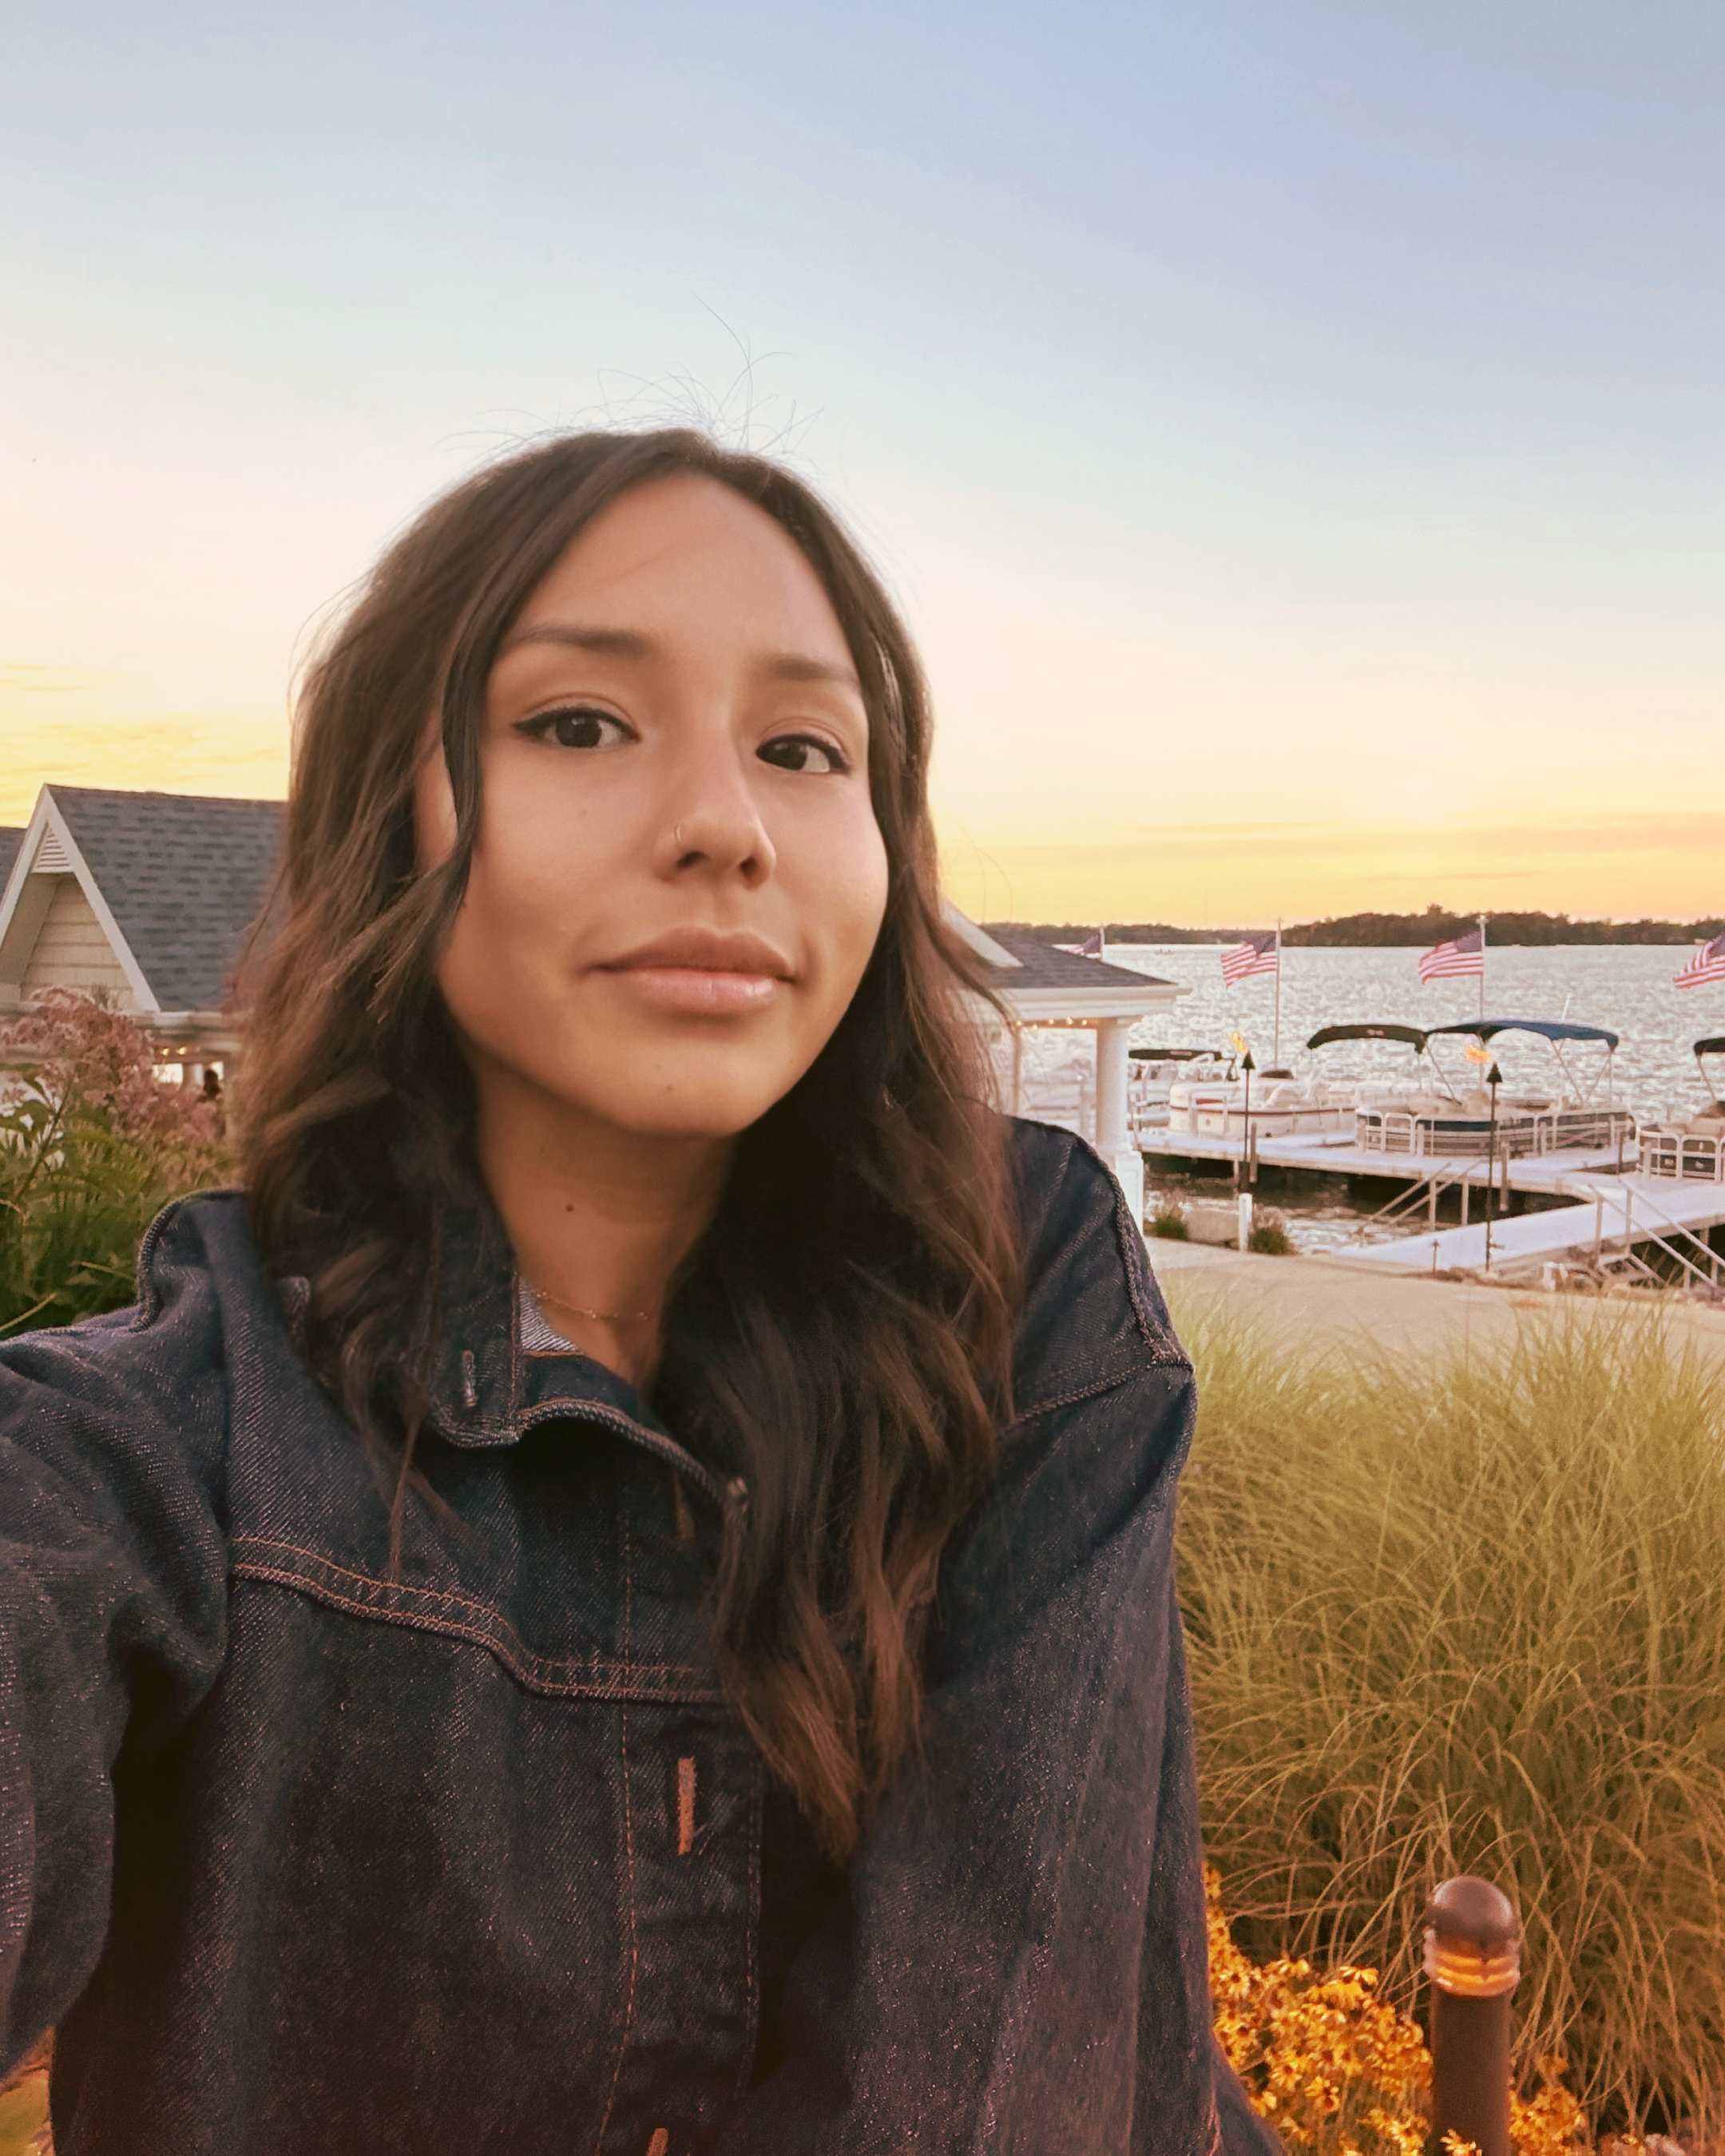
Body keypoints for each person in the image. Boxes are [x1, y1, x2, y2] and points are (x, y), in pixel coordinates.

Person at [0, 430, 1279, 2154]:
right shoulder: (170, 1437)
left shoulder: (1019, 1292)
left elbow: (1001, 2065)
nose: (723, 826)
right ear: (397, 816)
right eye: (580, 724)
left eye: (805, 748)